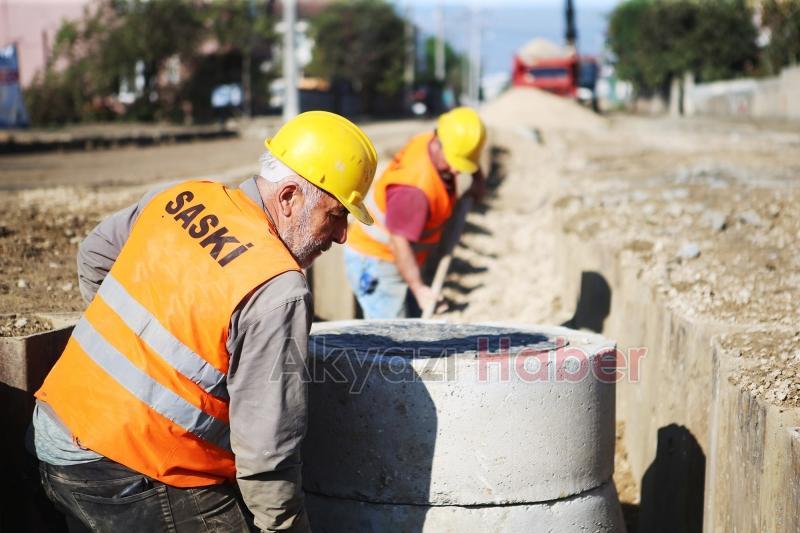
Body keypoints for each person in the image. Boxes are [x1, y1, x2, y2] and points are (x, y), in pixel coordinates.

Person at [29, 111, 377, 532]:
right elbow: (266, 450)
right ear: (289, 198)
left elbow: (96, 255)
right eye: (336, 214)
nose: (341, 236)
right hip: (125, 472)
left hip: (50, 433)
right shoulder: (276, 287)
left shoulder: (186, 196)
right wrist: (284, 526)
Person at [343, 106, 486, 318]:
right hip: (377, 261)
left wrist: (477, 179)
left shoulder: (432, 139)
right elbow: (399, 241)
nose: (456, 171)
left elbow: (467, 157)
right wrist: (419, 288)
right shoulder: (414, 190)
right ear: (438, 141)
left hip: (399, 257)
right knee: (390, 339)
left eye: (462, 164)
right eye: (454, 162)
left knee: (409, 326)